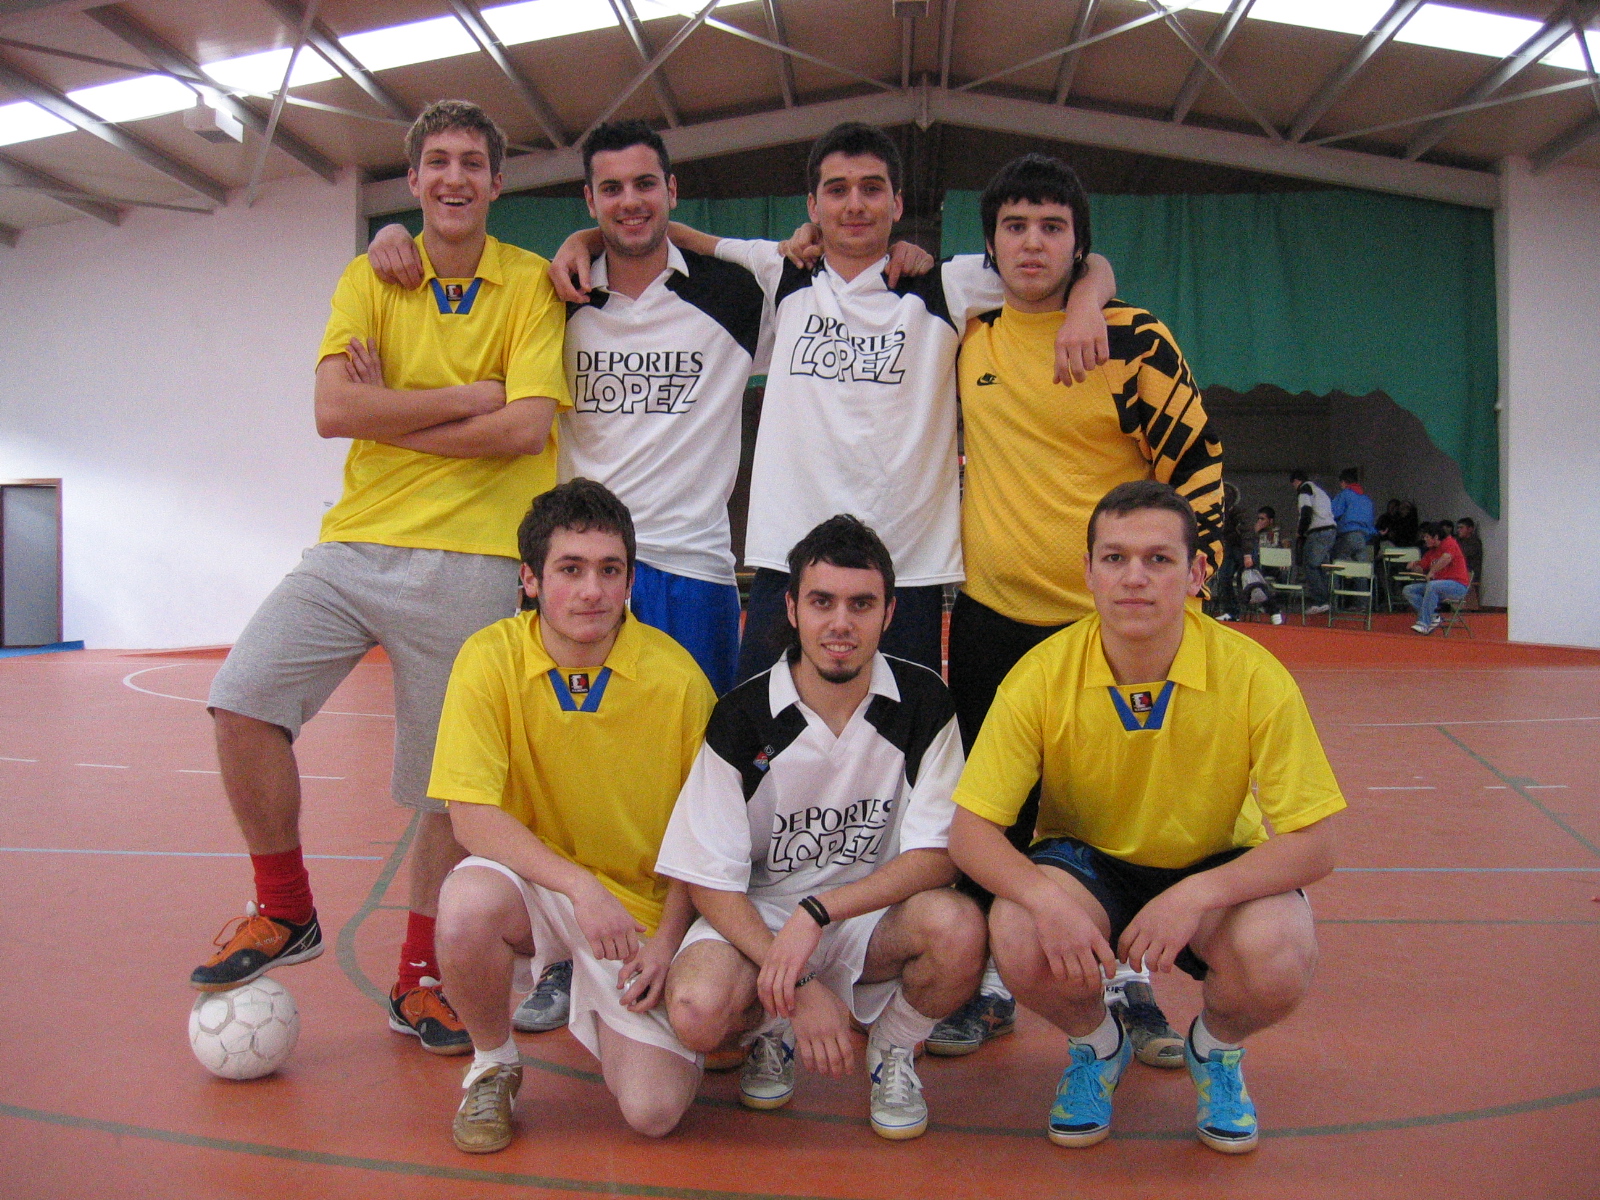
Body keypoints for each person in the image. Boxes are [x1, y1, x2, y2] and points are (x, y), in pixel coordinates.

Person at [190, 101, 570, 1057]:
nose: (454, 178)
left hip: (480, 553)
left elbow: (526, 428)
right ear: (414, 179)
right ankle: (285, 907)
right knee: (241, 700)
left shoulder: (530, 284)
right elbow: (332, 410)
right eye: (437, 161)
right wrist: (462, 399)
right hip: (355, 542)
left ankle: (420, 979)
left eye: (472, 163)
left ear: (496, 182)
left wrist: (388, 411)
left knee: (445, 788)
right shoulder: (370, 274)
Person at [552, 121, 1117, 681]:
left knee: (903, 735)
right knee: (762, 732)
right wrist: (582, 240)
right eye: (837, 190)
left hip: (906, 569)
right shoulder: (782, 272)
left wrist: (1086, 304)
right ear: (812, 205)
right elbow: (670, 235)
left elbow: (1075, 262)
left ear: (897, 203)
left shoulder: (944, 284)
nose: (855, 205)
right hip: (789, 563)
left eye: (872, 189)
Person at [948, 480, 1344, 1154]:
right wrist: (1045, 898)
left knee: (1280, 950)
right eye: (1115, 558)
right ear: (1088, 572)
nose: (1134, 577)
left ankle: (1215, 1051)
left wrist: (1196, 894)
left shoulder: (1254, 675)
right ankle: (1098, 1046)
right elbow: (970, 833)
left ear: (1196, 573)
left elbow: (1316, 844)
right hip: (1087, 866)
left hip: (1210, 863)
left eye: (1158, 559)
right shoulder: (1040, 674)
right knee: (1019, 926)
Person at [934, 151, 1225, 1063]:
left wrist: (1191, 594)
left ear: (1078, 241)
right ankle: (988, 985)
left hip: (1109, 630)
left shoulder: (1134, 340)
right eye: (1015, 226)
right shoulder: (968, 335)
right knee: (998, 811)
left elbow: (1199, 470)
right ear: (989, 245)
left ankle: (1131, 985)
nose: (1033, 243)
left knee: (1109, 809)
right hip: (990, 621)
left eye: (1053, 228)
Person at [656, 515, 987, 1141]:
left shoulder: (924, 701)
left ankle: (893, 1047)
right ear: (791, 608)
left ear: (889, 613)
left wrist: (819, 913)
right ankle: (772, 1026)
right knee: (697, 1011)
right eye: (822, 602)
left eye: (861, 604)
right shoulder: (743, 715)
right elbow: (708, 879)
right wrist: (798, 984)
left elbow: (938, 857)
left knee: (960, 928)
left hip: (865, 917)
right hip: (762, 920)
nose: (841, 623)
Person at [429, 480, 716, 1152]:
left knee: (653, 1112)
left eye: (610, 570)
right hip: (545, 889)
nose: (592, 591)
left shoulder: (678, 681)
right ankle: (492, 1065)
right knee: (466, 904)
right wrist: (579, 888)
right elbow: (470, 815)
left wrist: (666, 943)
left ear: (630, 580)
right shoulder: (488, 658)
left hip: (639, 917)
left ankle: (667, 1016)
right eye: (570, 569)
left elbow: (706, 842)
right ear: (530, 580)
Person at [1402, 521, 1471, 634]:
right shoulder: (1431, 552)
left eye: (1427, 537)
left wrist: (1432, 572)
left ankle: (1424, 623)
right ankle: (1433, 616)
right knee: (1408, 590)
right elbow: (1421, 567)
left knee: (1433, 585)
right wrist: (1413, 565)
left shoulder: (1449, 542)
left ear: (1436, 537)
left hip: (1457, 586)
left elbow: (1446, 558)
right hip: (1437, 586)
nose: (1424, 539)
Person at [1291, 469, 1337, 615]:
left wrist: (1300, 531)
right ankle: (1328, 601)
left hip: (1318, 531)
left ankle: (1320, 601)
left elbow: (1306, 512)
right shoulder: (1320, 491)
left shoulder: (1304, 489)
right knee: (1322, 567)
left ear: (1296, 481)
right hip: (1330, 531)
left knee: (1310, 565)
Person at [1330, 468, 1376, 563]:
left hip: (1347, 535)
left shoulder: (1344, 494)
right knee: (1360, 568)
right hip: (1363, 538)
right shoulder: (1366, 499)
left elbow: (1333, 513)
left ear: (1343, 482)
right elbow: (1370, 521)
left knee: (1340, 564)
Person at [1455, 517, 1484, 606]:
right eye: (1458, 528)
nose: (1458, 530)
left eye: (1461, 528)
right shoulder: (1458, 541)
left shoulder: (1474, 542)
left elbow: (1461, 556)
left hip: (1470, 573)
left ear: (1470, 529)